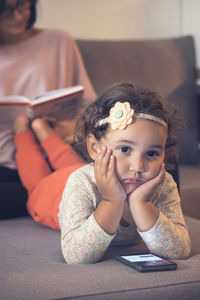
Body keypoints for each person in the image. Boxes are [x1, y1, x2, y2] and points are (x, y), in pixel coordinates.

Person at [13, 82, 191, 264]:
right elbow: (76, 256)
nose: (138, 166)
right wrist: (111, 201)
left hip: (89, 169)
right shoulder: (81, 181)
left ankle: (43, 129)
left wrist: (141, 203)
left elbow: (179, 250)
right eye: (124, 149)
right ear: (94, 147)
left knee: (67, 159)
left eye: (151, 153)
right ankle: (23, 130)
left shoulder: (163, 184)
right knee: (37, 177)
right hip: (52, 192)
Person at [0, 0, 96, 219]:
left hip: (57, 149)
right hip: (6, 160)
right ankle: (48, 196)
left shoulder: (58, 41)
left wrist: (66, 128)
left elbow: (91, 107)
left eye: (23, 5)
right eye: (6, 9)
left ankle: (46, 195)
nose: (18, 16)